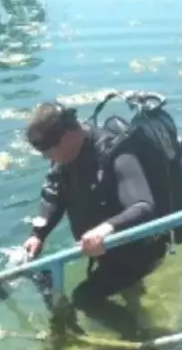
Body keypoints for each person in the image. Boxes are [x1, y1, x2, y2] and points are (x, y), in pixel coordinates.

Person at [21, 102, 170, 336]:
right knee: (123, 289)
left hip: (138, 251)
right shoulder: (64, 158)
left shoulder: (117, 152)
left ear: (69, 134)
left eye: (49, 150)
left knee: (84, 298)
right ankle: (135, 310)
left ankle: (140, 337)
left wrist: (106, 228)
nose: (47, 157)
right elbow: (55, 194)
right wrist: (38, 234)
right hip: (102, 251)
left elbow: (143, 206)